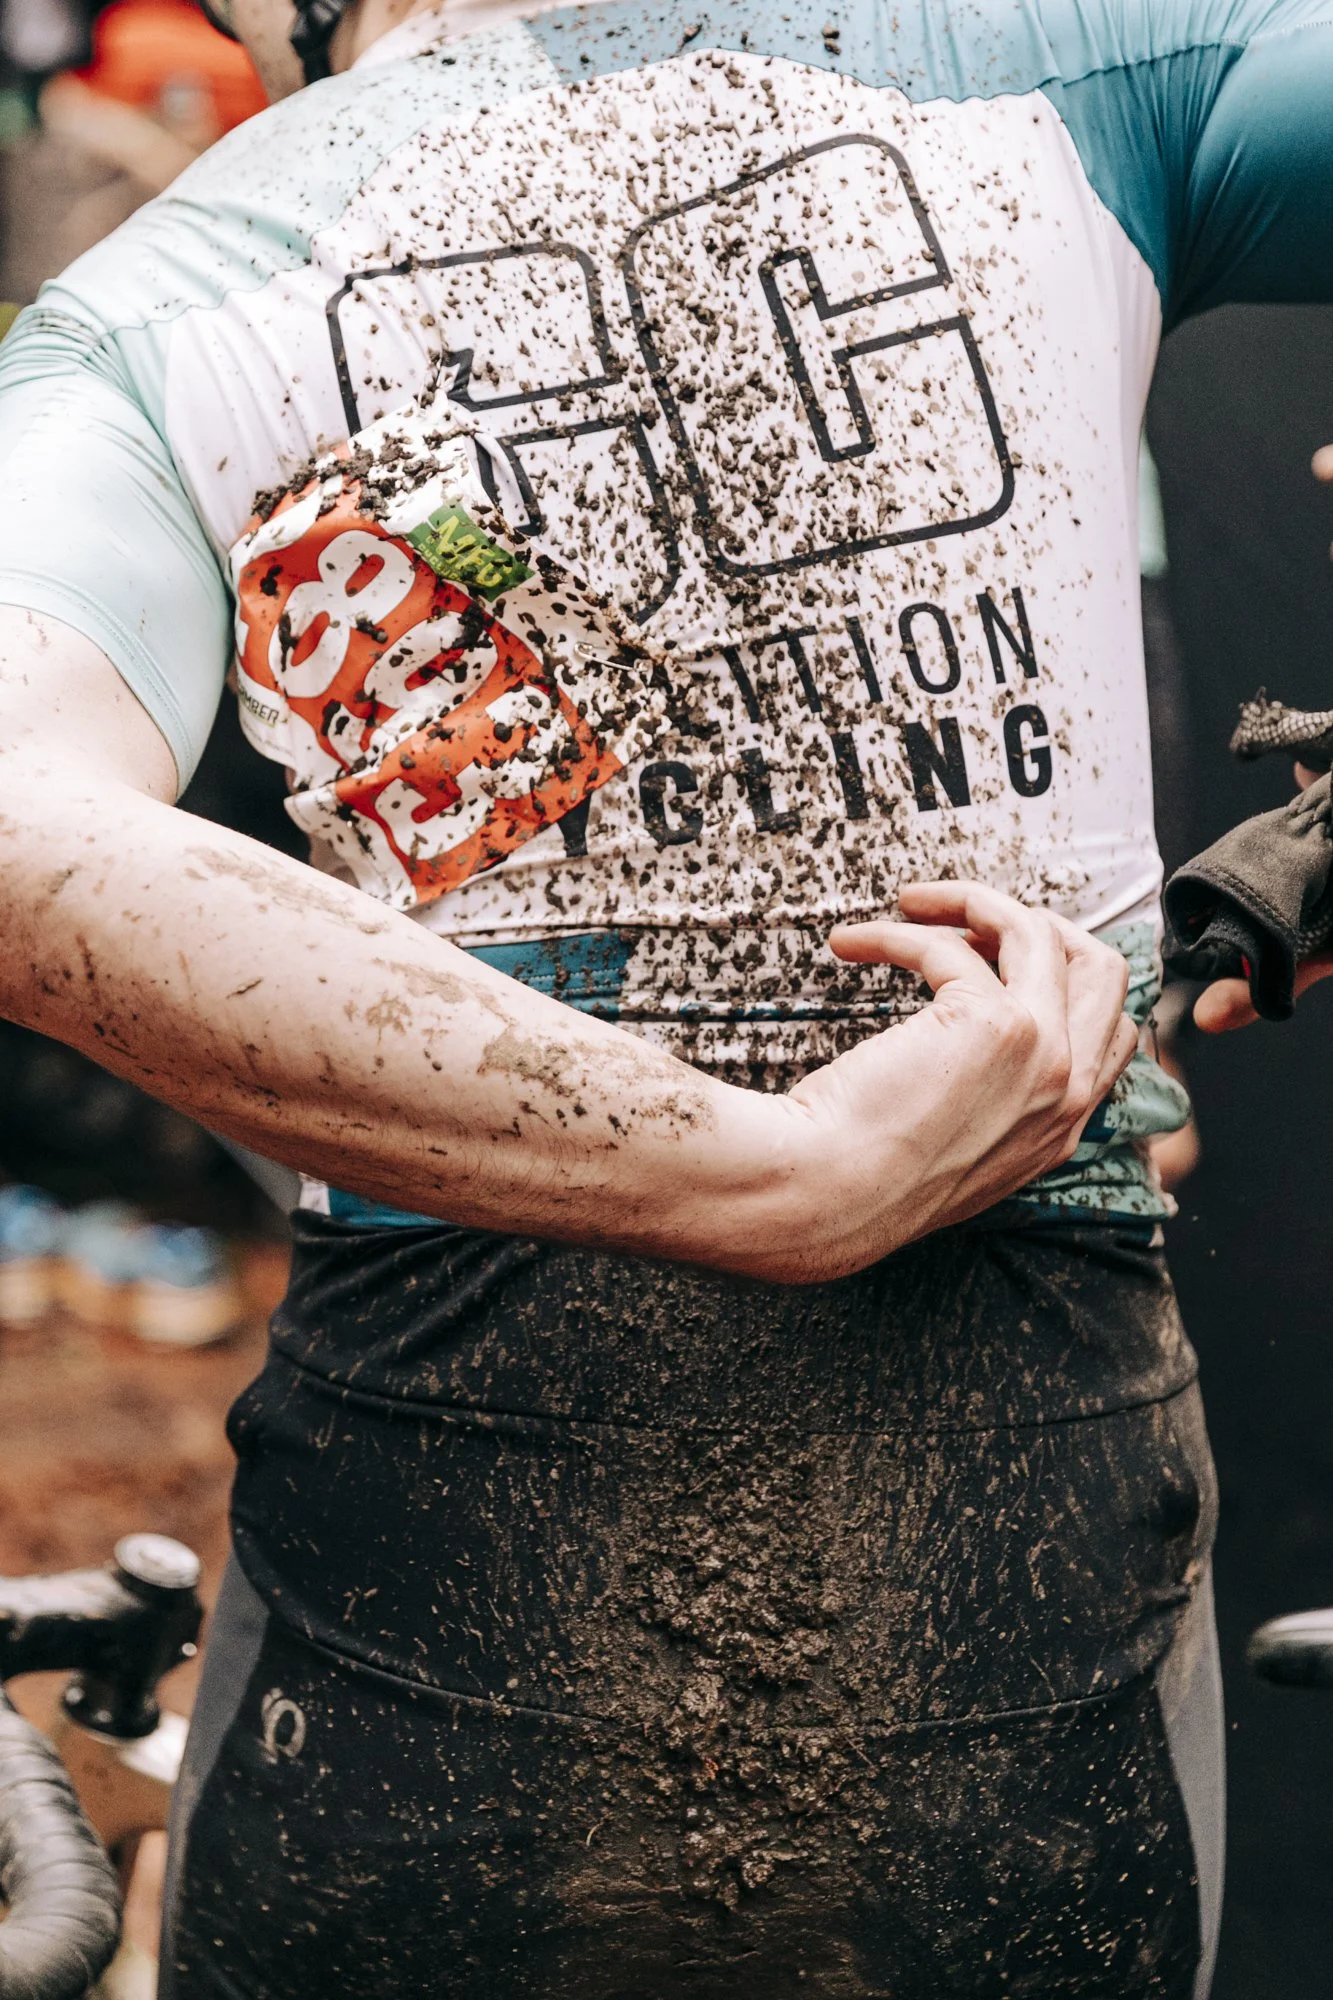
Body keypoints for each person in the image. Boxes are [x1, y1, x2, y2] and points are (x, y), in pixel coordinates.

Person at [4, 0, 1333, 1991]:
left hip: (435, 1613)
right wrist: (786, 1183)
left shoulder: (185, 288)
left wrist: (758, 1170)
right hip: (1015, 1599)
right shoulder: (1083, 71)